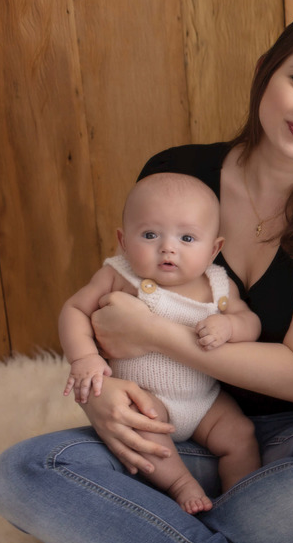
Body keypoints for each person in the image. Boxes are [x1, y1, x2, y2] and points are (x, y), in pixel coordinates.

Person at [0, 8, 293, 543]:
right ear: (266, 74)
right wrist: (100, 395)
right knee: (23, 472)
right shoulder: (177, 174)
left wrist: (160, 338)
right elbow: (107, 308)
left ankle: (128, 534)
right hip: (183, 428)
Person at [60, 172, 263, 514]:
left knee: (241, 435)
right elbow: (74, 309)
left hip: (204, 402)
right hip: (147, 398)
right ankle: (181, 483)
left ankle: (244, 507)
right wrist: (83, 358)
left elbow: (251, 323)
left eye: (187, 238)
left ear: (214, 248)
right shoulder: (120, 275)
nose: (168, 248)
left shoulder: (218, 285)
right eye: (150, 234)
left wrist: (229, 326)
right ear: (123, 241)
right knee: (142, 426)